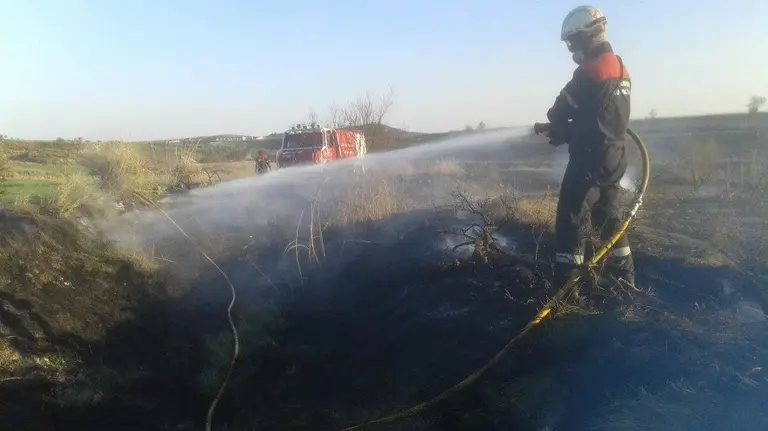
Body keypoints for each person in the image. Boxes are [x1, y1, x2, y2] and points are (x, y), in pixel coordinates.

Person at [541, 5, 635, 291]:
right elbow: (600, 118)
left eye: (572, 41)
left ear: (587, 36)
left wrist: (559, 127)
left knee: (571, 219)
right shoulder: (620, 67)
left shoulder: (590, 70)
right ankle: (625, 280)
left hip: (588, 161)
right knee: (608, 215)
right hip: (615, 157)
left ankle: (566, 290)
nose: (571, 49)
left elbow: (556, 112)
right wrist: (572, 131)